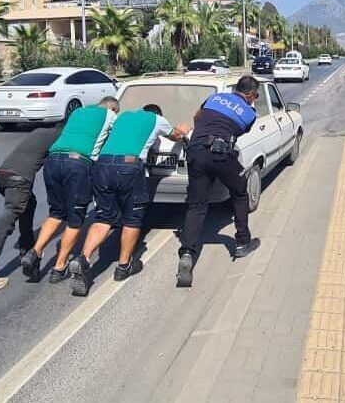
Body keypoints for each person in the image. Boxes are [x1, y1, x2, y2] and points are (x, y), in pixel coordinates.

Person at [68, 104, 191, 296]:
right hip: (128, 166)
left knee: (103, 218)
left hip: (102, 165)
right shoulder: (157, 120)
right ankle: (124, 266)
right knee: (132, 218)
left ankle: (83, 259)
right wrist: (182, 132)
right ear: (158, 114)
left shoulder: (123, 117)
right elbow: (174, 136)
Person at [176, 75, 261, 288]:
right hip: (220, 153)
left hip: (195, 151)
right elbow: (236, 132)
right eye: (255, 96)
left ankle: (187, 252)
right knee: (240, 191)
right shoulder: (250, 113)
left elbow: (197, 117)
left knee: (196, 205)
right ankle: (242, 241)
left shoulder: (215, 98)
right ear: (250, 95)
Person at [22, 96, 119, 283]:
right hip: (77, 164)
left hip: (52, 160)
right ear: (112, 108)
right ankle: (60, 266)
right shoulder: (110, 116)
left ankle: (35, 251)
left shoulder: (77, 111)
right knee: (75, 220)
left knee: (56, 212)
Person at [0, 124, 65, 296]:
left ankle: (26, 249)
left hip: (3, 174)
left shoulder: (40, 131)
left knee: (30, 203)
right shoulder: (60, 138)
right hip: (19, 180)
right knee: (6, 222)